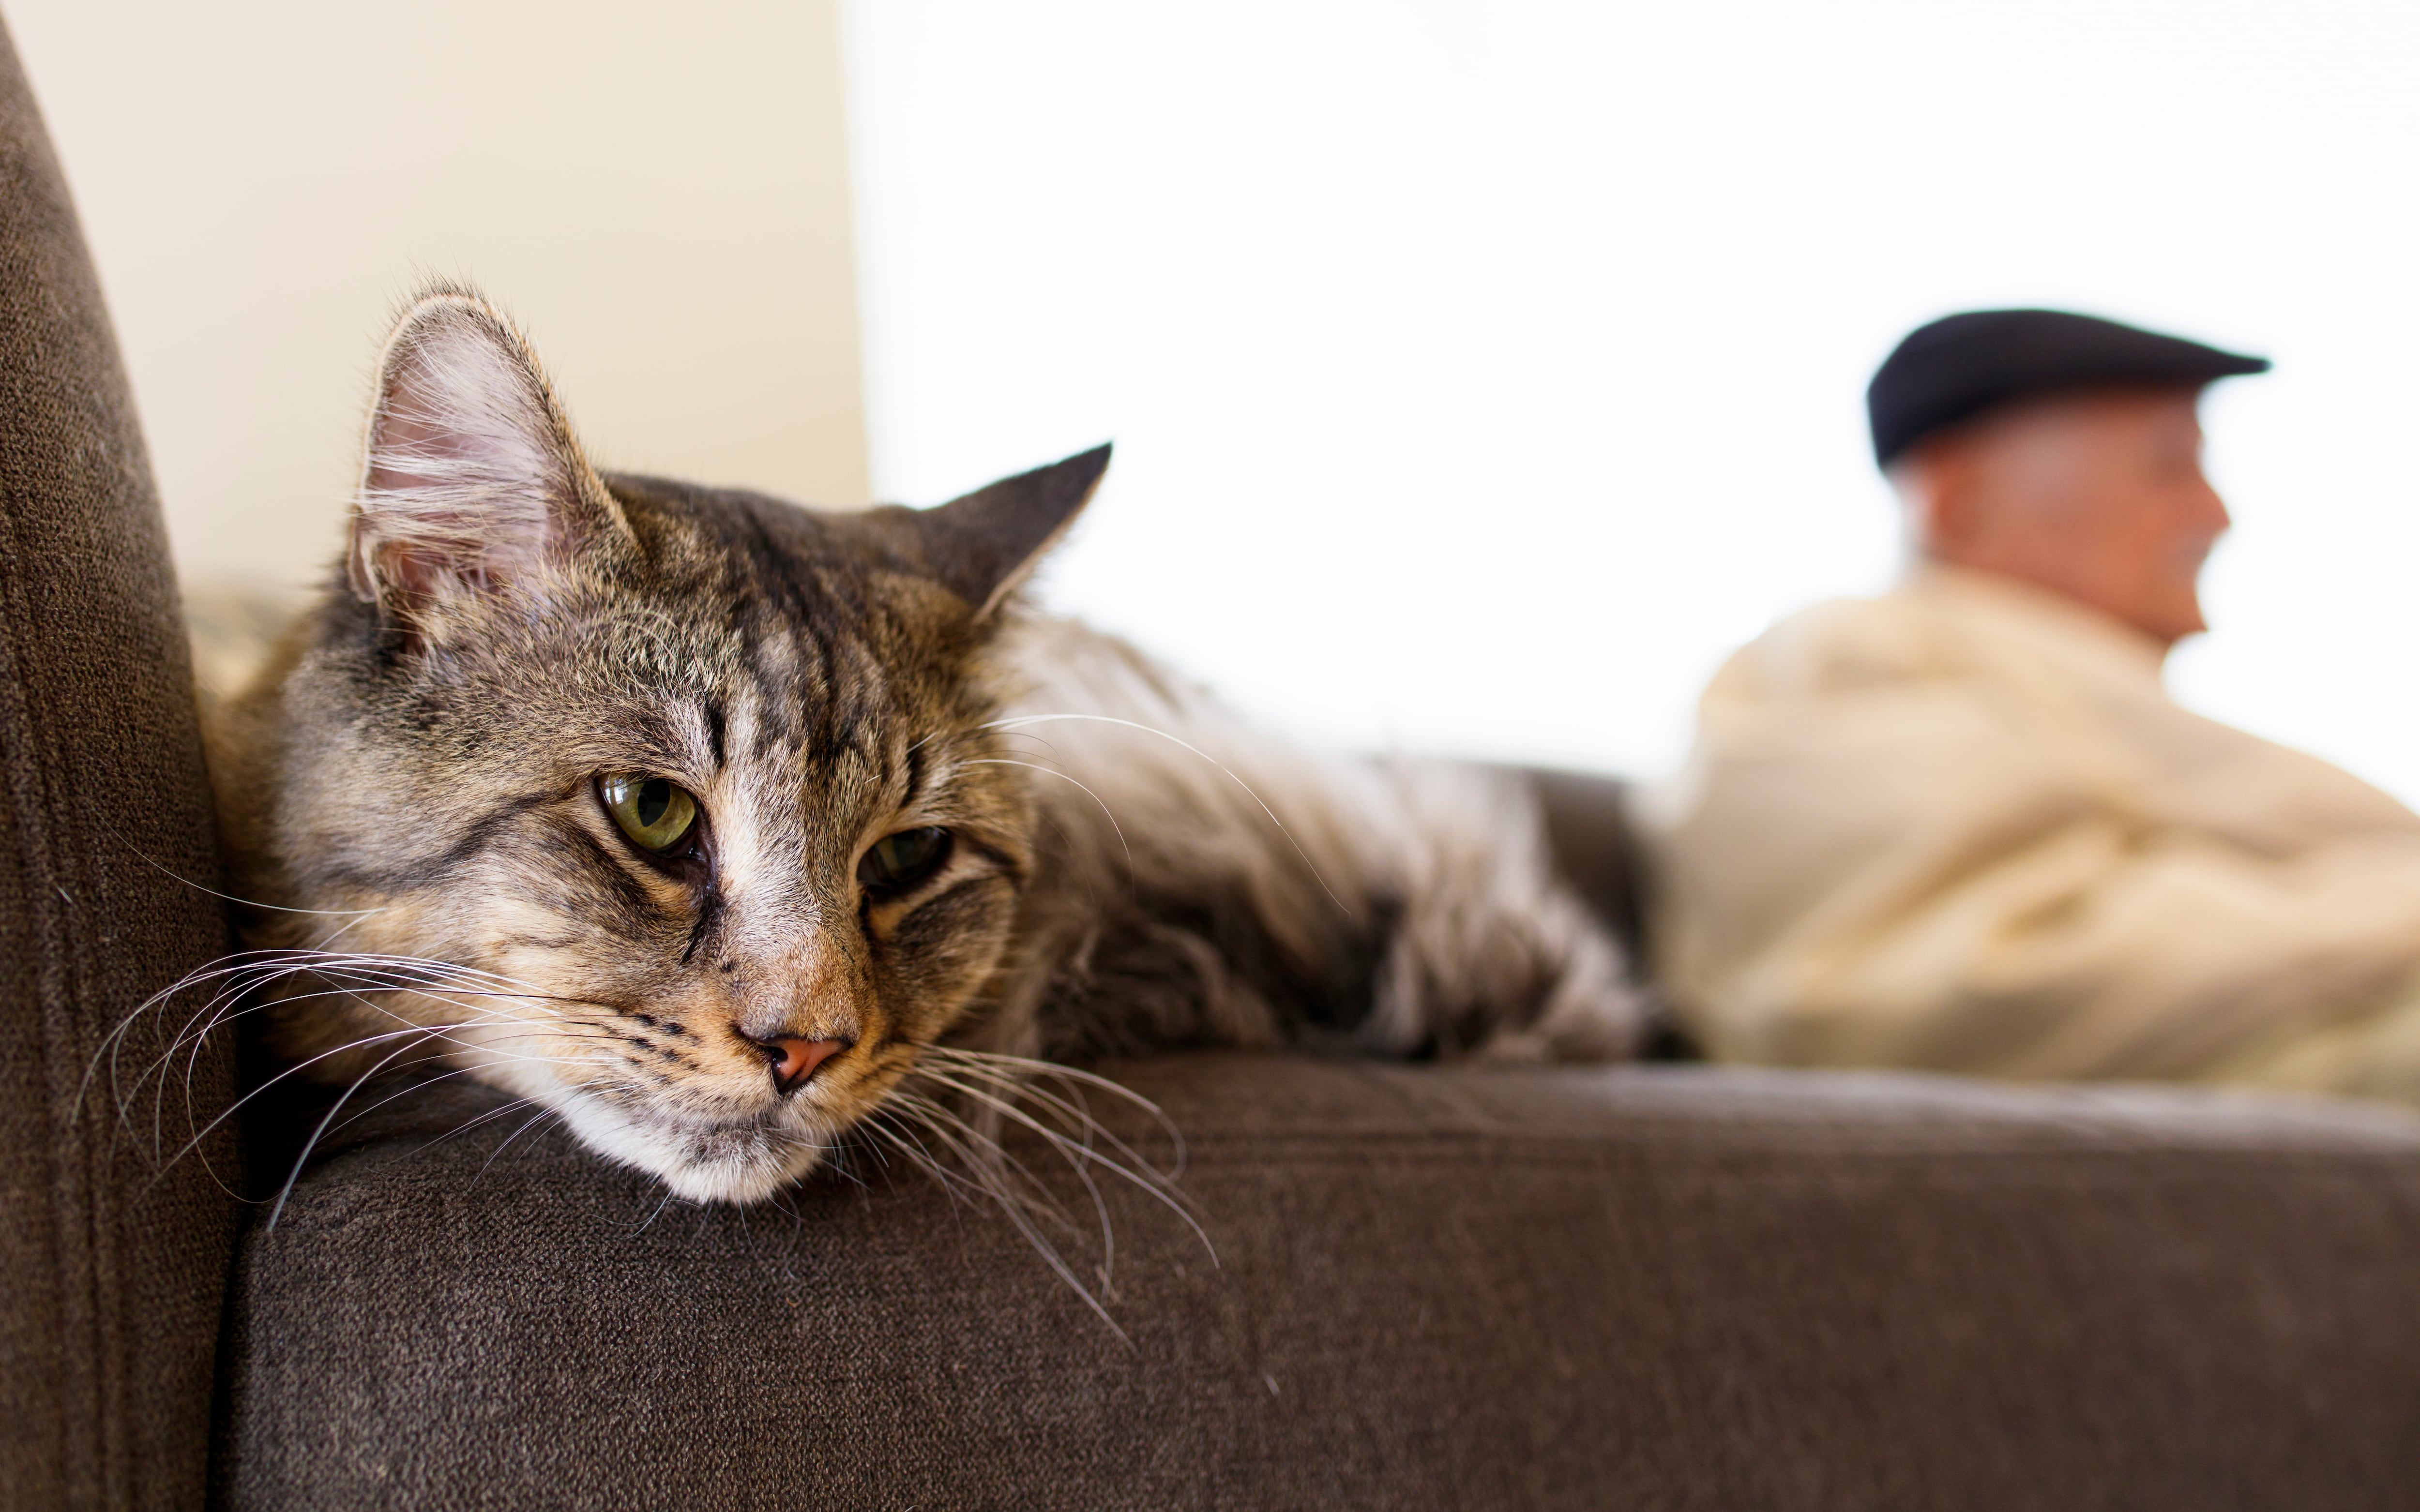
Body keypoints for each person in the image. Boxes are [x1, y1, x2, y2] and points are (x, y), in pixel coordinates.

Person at [1643, 308, 2420, 1103]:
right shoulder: (1852, 652)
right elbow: (1984, 976)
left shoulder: (2052, 692)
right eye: (2169, 467)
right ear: (1960, 505)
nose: (2216, 514)